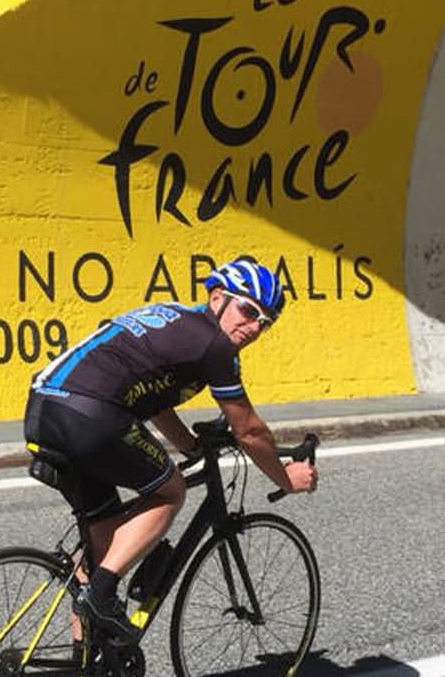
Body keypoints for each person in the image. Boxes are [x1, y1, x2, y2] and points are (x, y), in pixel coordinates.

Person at [23, 256, 318, 641]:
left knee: (106, 537)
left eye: (265, 322)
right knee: (170, 490)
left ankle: (86, 658)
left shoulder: (175, 319)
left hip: (44, 408)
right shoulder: (216, 345)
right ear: (217, 298)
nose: (254, 326)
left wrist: (190, 445)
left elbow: (156, 398)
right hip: (91, 415)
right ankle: (101, 596)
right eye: (248, 311)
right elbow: (248, 430)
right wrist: (286, 477)